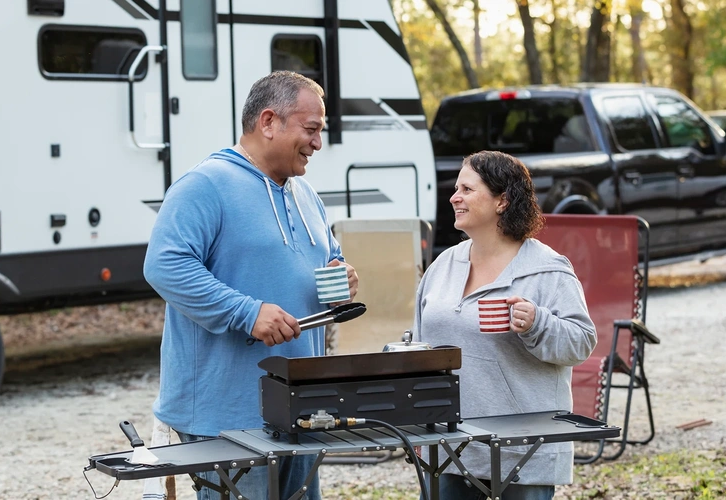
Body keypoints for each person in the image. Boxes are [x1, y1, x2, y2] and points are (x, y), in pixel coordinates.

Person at [143, 70, 359, 500]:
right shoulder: (205, 185)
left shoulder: (305, 194)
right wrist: (248, 312)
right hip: (230, 417)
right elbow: (164, 266)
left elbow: (323, 260)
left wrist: (342, 277)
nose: (318, 143)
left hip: (300, 409)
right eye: (311, 129)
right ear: (268, 121)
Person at [411, 150, 596, 500]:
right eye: (456, 188)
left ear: (503, 201)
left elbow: (582, 342)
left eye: (467, 189)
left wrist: (537, 323)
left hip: (521, 453)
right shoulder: (442, 266)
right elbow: (418, 349)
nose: (454, 197)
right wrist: (419, 430)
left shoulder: (546, 269)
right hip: (448, 449)